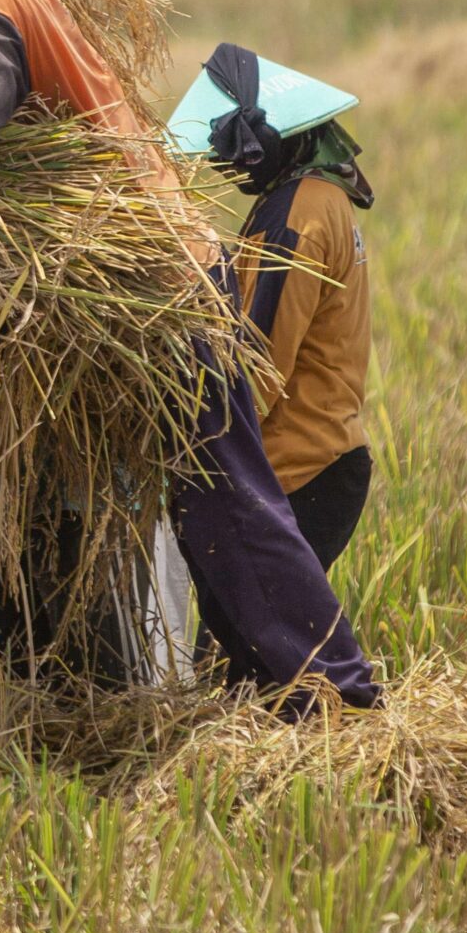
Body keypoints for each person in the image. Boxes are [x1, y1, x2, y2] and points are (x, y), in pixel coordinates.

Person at [0, 0, 380, 713]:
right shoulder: (2, 14)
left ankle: (339, 690)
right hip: (148, 289)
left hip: (165, 288)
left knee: (230, 502)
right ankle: (249, 696)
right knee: (197, 512)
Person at [168, 45, 376, 570]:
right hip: (328, 454)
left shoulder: (292, 217)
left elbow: (257, 367)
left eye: (235, 150)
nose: (228, 167)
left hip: (297, 472)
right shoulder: (323, 195)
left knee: (255, 625)